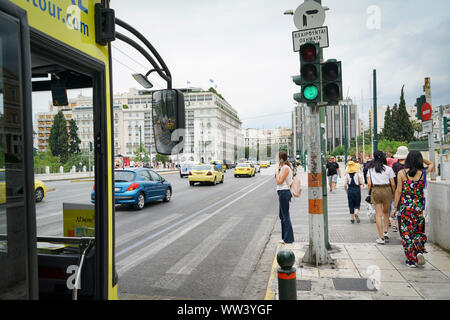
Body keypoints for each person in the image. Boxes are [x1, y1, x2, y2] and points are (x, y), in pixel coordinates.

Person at [392, 151, 427, 268]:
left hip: (406, 208)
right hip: (418, 208)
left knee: (407, 233)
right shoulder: (422, 173)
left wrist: (395, 207)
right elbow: (431, 164)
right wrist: (423, 161)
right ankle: (419, 251)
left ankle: (411, 260)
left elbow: (398, 191)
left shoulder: (401, 173)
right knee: (418, 231)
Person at [367, 151, 396, 245]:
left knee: (378, 215)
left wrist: (369, 193)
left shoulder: (370, 170)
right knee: (386, 212)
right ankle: (386, 231)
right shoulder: (388, 169)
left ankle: (381, 237)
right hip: (387, 189)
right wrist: (393, 193)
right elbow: (393, 183)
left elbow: (369, 184)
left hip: (376, 190)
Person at [275, 151, 294, 244]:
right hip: (282, 192)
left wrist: (276, 170)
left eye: (277, 158)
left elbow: (279, 181)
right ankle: (284, 237)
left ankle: (288, 238)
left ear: (281, 159)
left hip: (284, 192)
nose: (276, 160)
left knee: (285, 216)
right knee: (282, 216)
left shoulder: (285, 168)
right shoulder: (283, 167)